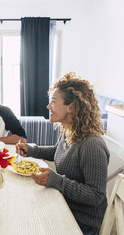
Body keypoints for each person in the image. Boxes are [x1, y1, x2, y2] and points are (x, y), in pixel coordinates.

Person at [16, 72, 109, 235]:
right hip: (64, 203)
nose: (48, 107)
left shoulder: (92, 145)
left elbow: (96, 195)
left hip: (83, 221)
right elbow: (57, 152)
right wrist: (32, 150)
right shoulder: (70, 131)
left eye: (53, 102)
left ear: (71, 107)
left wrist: (56, 180)